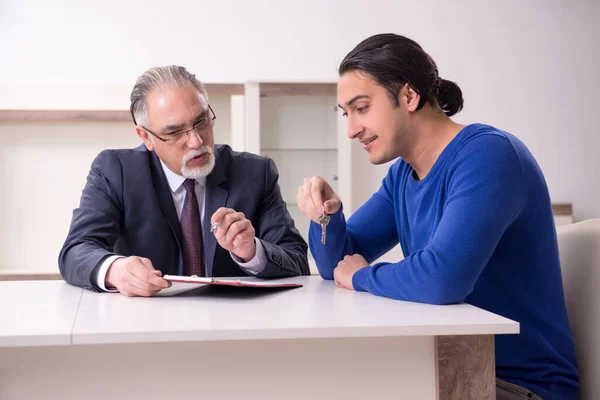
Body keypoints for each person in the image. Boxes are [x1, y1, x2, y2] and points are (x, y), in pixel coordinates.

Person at [297, 33, 578, 400]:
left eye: (361, 108)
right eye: (346, 113)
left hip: (517, 384)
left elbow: (444, 278)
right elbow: (336, 265)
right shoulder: (403, 175)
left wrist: (363, 276)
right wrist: (328, 217)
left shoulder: (489, 156)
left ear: (409, 96)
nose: (351, 129)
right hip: (451, 367)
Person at [59, 65, 309, 296]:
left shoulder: (255, 173)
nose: (197, 142)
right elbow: (76, 250)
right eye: (175, 131)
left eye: (201, 121)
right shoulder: (116, 171)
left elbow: (297, 260)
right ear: (146, 137)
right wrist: (116, 269)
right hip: (146, 326)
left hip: (232, 328)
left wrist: (252, 252)